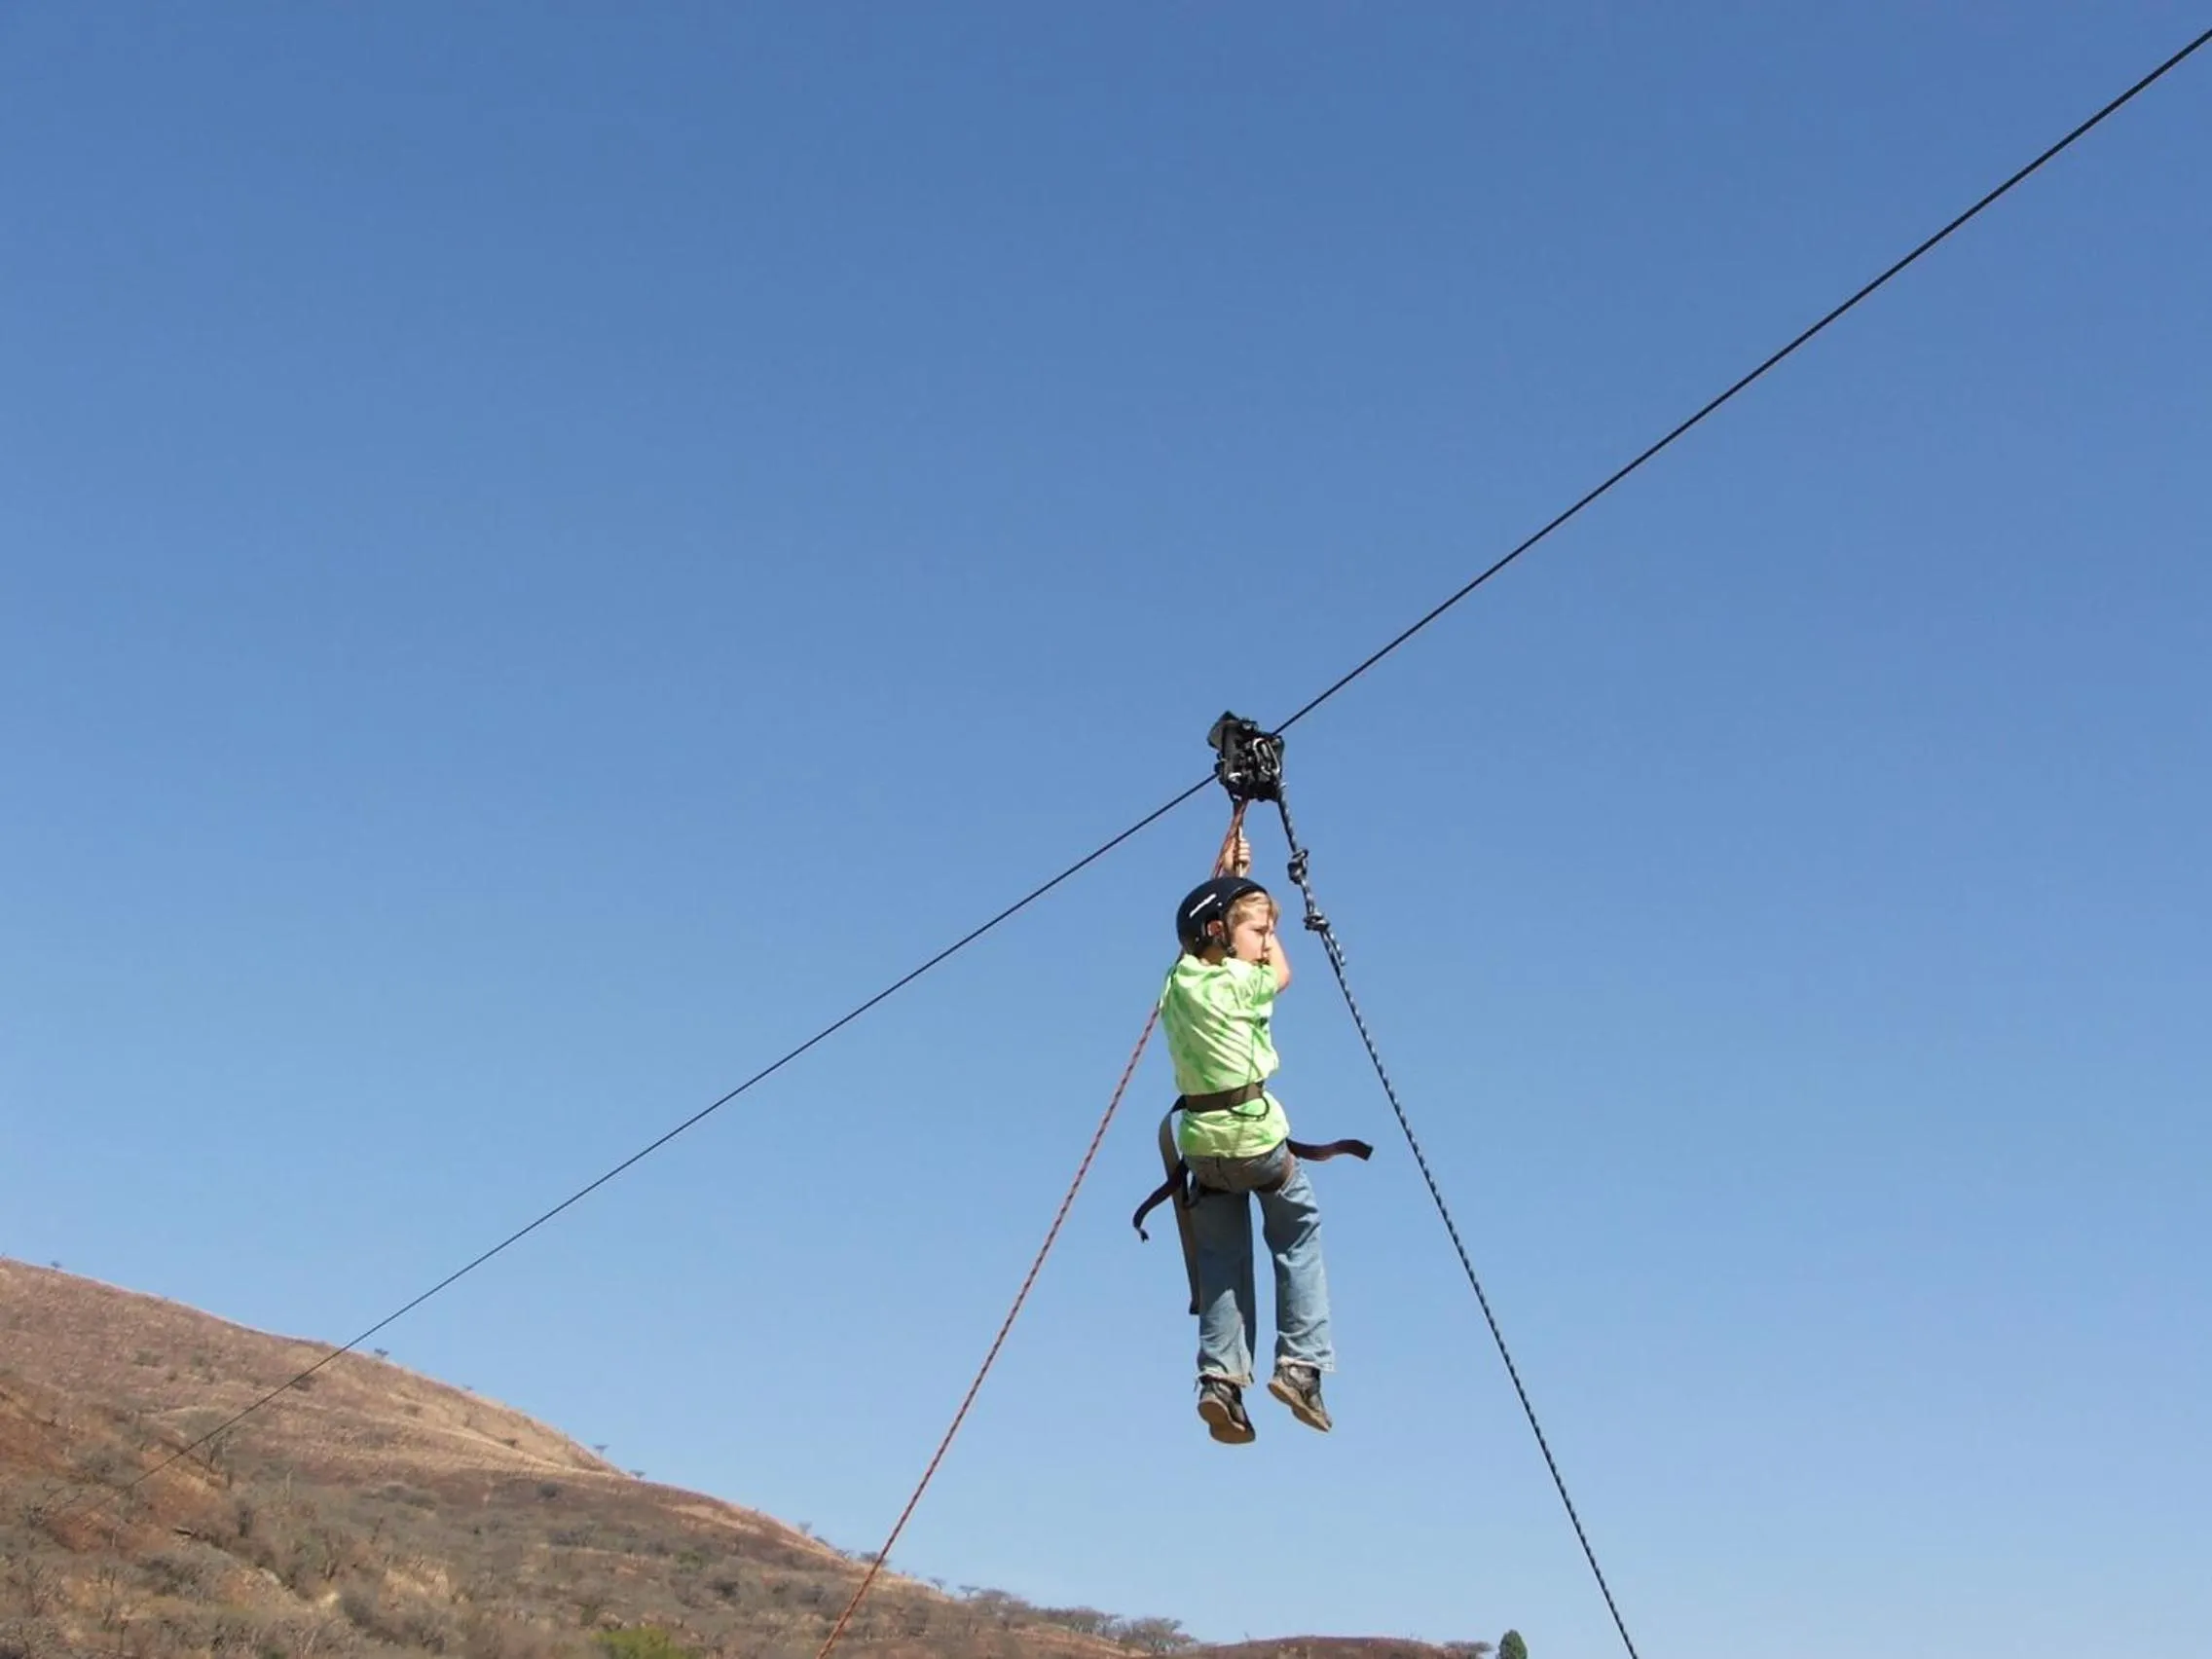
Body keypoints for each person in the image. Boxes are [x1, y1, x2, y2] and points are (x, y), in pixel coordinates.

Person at [1159, 833, 1334, 1444]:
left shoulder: (1180, 984)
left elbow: (1200, 934)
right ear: (1222, 936)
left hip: (1201, 1149)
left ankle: (1220, 1383)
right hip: (1255, 1142)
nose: (1264, 943)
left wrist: (1229, 878)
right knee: (1298, 1227)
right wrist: (1259, 915)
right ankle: (1300, 1365)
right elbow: (1282, 973)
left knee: (1222, 1261)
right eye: (1257, 932)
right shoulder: (1243, 982)